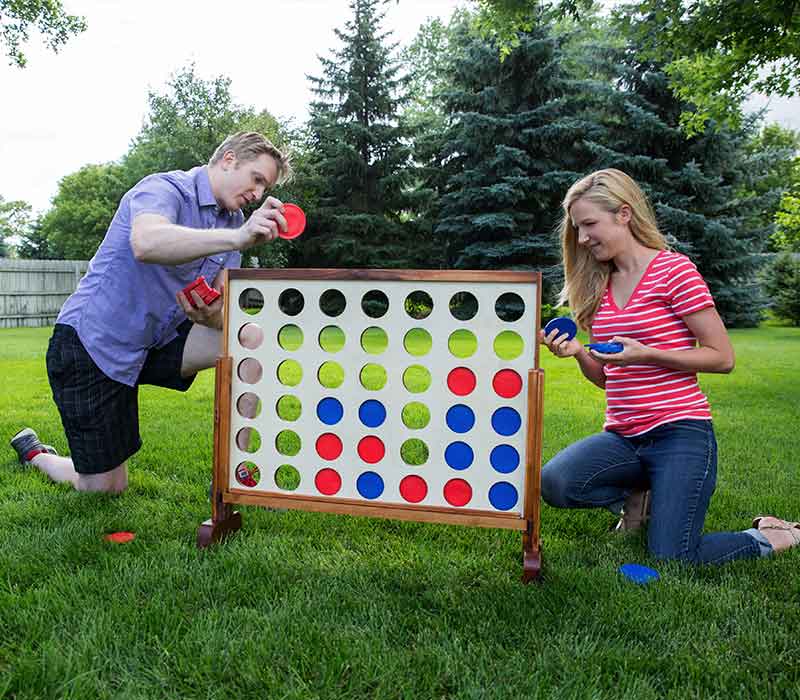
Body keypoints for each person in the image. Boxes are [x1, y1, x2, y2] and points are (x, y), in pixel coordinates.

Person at [539, 168, 800, 562]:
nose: (583, 237)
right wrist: (578, 352)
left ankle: (777, 535)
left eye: (590, 224)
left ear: (624, 214)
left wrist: (648, 353)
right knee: (556, 483)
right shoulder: (597, 287)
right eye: (577, 227)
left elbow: (722, 357)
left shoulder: (673, 271)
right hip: (625, 436)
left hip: (682, 432)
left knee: (673, 555)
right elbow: (609, 381)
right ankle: (638, 492)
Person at [10, 132, 292, 494]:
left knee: (249, 335)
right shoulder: (164, 189)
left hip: (155, 343)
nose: (257, 194)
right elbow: (147, 242)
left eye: (264, 187)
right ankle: (36, 454)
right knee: (104, 488)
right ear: (229, 159)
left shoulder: (232, 223)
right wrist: (239, 237)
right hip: (93, 347)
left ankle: (232, 471)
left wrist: (213, 317)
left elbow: (221, 312)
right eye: (256, 179)